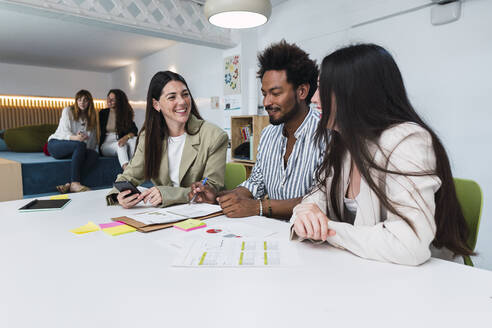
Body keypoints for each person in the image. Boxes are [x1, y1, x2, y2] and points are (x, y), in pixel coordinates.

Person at [290, 44, 473, 265]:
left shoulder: (407, 141)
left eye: (322, 88)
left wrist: (328, 230)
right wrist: (307, 214)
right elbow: (316, 196)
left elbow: (409, 245)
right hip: (371, 273)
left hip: (428, 283)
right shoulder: (343, 142)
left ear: (354, 93)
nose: (314, 99)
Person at [190, 40, 324, 219]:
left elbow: (321, 200)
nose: (266, 102)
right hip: (270, 233)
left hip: (311, 239)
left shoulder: (326, 134)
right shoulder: (269, 134)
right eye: (264, 93)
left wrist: (260, 207)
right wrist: (221, 198)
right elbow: (255, 184)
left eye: (275, 93)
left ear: (301, 91)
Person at [106, 71, 228, 208]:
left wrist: (168, 194)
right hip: (163, 215)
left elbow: (211, 188)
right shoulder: (148, 137)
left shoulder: (214, 136)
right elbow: (130, 175)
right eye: (172, 97)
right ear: (156, 104)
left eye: (185, 94)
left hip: (202, 214)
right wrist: (120, 195)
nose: (182, 102)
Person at [48, 89, 99, 193]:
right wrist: (77, 138)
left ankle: (69, 184)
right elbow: (64, 132)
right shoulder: (68, 111)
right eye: (79, 100)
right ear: (76, 101)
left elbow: (92, 140)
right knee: (79, 145)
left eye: (85, 100)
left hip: (76, 148)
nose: (82, 103)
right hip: (56, 144)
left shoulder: (91, 117)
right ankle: (75, 183)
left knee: (93, 154)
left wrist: (86, 142)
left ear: (89, 102)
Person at [99, 89, 138, 170]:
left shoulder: (125, 114)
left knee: (134, 140)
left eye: (113, 99)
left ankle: (134, 167)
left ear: (119, 101)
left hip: (120, 140)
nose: (109, 101)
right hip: (106, 143)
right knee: (121, 146)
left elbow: (134, 130)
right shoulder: (102, 113)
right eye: (108, 98)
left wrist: (126, 137)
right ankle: (128, 172)